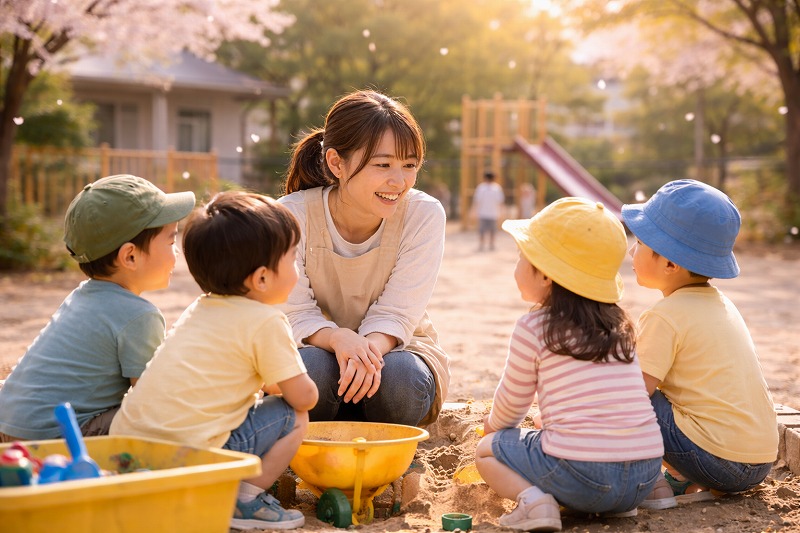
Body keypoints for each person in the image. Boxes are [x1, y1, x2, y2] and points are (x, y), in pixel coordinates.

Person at [110, 191, 317, 530]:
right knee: (294, 416)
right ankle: (243, 501)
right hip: (190, 457)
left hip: (129, 449)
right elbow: (303, 397)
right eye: (292, 258)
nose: (297, 268)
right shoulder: (266, 321)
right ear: (262, 278)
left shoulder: (201, 307)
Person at [475, 197, 664, 531]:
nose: (517, 264)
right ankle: (614, 506)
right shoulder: (620, 326)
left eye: (522, 256)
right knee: (551, 432)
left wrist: (492, 430)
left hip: (585, 478)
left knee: (487, 452)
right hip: (642, 477)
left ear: (546, 275)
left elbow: (510, 408)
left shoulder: (535, 327)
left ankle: (535, 505)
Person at [278, 89, 449, 427]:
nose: (398, 181)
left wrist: (364, 350)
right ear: (336, 163)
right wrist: (338, 338)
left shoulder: (424, 214)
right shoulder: (290, 215)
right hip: (317, 350)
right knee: (309, 371)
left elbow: (398, 312)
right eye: (382, 164)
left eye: (409, 165)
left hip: (396, 351)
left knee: (401, 382)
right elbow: (294, 312)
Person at [0, 174, 195, 442]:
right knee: (164, 418)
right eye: (171, 241)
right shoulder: (140, 316)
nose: (177, 253)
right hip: (54, 439)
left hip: (10, 426)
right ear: (130, 256)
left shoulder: (81, 296)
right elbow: (149, 405)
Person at [621, 179, 778, 509]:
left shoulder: (665, 316)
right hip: (760, 460)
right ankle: (687, 479)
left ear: (669, 264)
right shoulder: (723, 305)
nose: (630, 251)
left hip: (719, 462)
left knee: (627, 396)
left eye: (639, 242)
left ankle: (646, 482)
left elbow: (633, 398)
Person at [471, 170, 505, 251]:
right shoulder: (497, 188)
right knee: (492, 230)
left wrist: (474, 211)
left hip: (483, 212)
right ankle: (491, 244)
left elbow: (477, 201)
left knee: (482, 230)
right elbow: (500, 201)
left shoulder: (481, 187)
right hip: (493, 213)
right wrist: (502, 211)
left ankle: (482, 244)